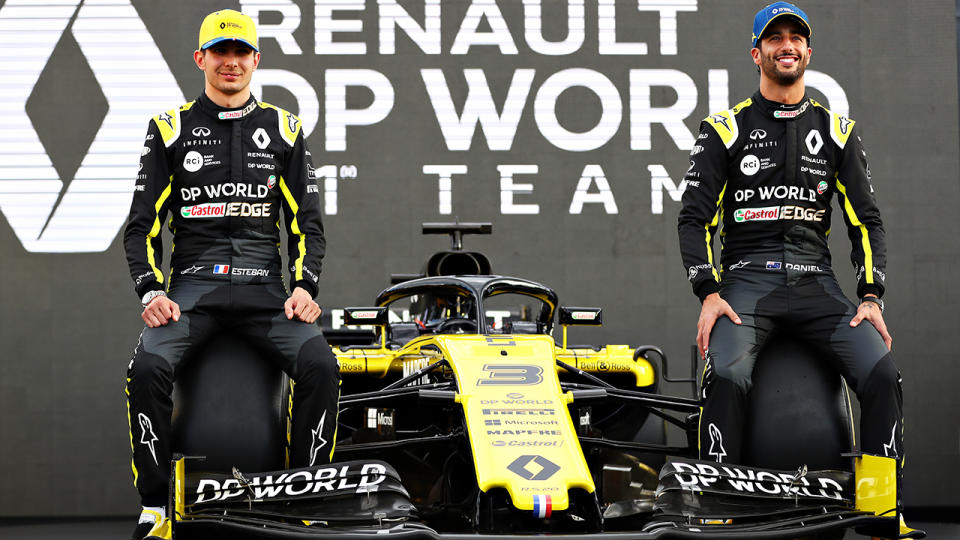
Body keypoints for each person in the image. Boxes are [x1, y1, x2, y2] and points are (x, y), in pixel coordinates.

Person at [677, 0, 904, 525]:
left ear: (808, 50)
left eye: (795, 38)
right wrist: (708, 292)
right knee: (727, 377)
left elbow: (866, 221)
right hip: (746, 284)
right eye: (775, 38)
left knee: (884, 375)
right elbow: (693, 219)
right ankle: (720, 515)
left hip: (816, 284)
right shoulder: (725, 128)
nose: (787, 46)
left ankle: (880, 514)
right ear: (757, 53)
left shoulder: (838, 131)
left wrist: (870, 297)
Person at [123, 9, 339, 540]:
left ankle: (302, 496)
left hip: (266, 294)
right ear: (202, 58)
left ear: (255, 61)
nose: (231, 62)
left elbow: (306, 223)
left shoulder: (284, 128)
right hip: (191, 295)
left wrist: (306, 287)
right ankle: (156, 508)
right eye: (221, 52)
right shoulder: (169, 128)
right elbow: (140, 227)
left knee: (322, 366)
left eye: (241, 53)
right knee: (144, 370)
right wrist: (151, 291)